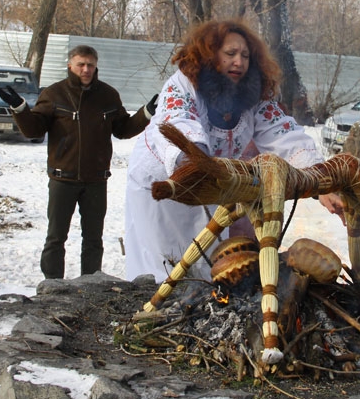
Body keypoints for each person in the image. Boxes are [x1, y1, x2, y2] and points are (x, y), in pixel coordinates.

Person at [124, 19, 344, 282]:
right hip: (164, 183)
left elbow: (284, 134)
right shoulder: (183, 84)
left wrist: (322, 184)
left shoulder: (254, 94)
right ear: (210, 54)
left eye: (245, 56)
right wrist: (200, 163)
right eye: (230, 54)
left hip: (214, 181)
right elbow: (177, 124)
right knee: (166, 262)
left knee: (208, 261)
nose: (238, 62)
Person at [0, 45, 157, 279]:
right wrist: (20, 108)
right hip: (63, 178)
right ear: (70, 65)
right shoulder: (54, 94)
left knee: (93, 240)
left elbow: (122, 129)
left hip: (96, 180)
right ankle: (52, 286)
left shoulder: (108, 95)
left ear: (96, 66)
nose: (86, 69)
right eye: (81, 64)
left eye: (90, 65)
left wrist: (146, 113)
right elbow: (34, 130)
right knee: (55, 238)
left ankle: (90, 286)